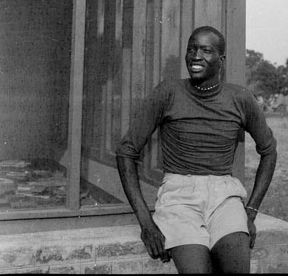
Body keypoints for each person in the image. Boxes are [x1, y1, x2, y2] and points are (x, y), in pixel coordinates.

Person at [116, 25, 277, 273]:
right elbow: (126, 152)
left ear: (220, 60)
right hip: (179, 198)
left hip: (224, 197)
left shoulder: (240, 98)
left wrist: (251, 212)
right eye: (191, 49)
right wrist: (146, 223)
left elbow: (269, 151)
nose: (196, 56)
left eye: (206, 50)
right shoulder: (168, 93)